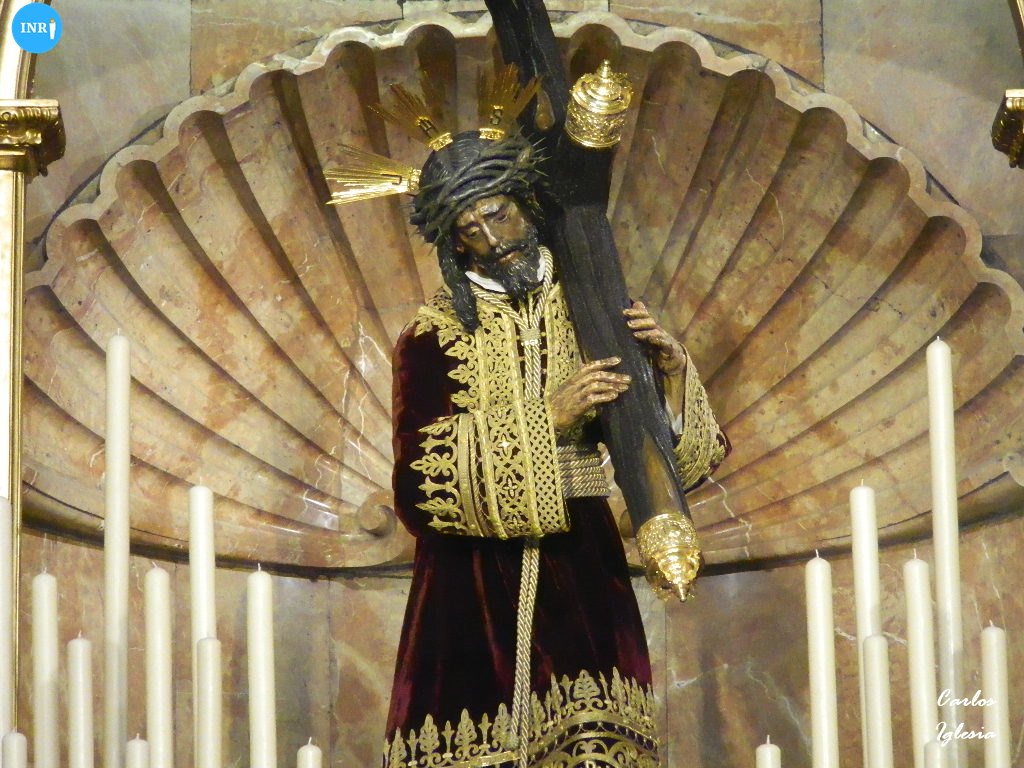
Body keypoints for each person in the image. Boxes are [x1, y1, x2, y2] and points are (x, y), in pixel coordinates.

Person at [380, 128, 728, 768]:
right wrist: (546, 417)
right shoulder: (431, 336)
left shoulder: (593, 306)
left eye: (498, 215)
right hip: (469, 583)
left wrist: (672, 375)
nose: (493, 240)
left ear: (525, 204)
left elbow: (668, 468)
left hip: (582, 564)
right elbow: (419, 486)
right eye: (470, 230)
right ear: (453, 243)